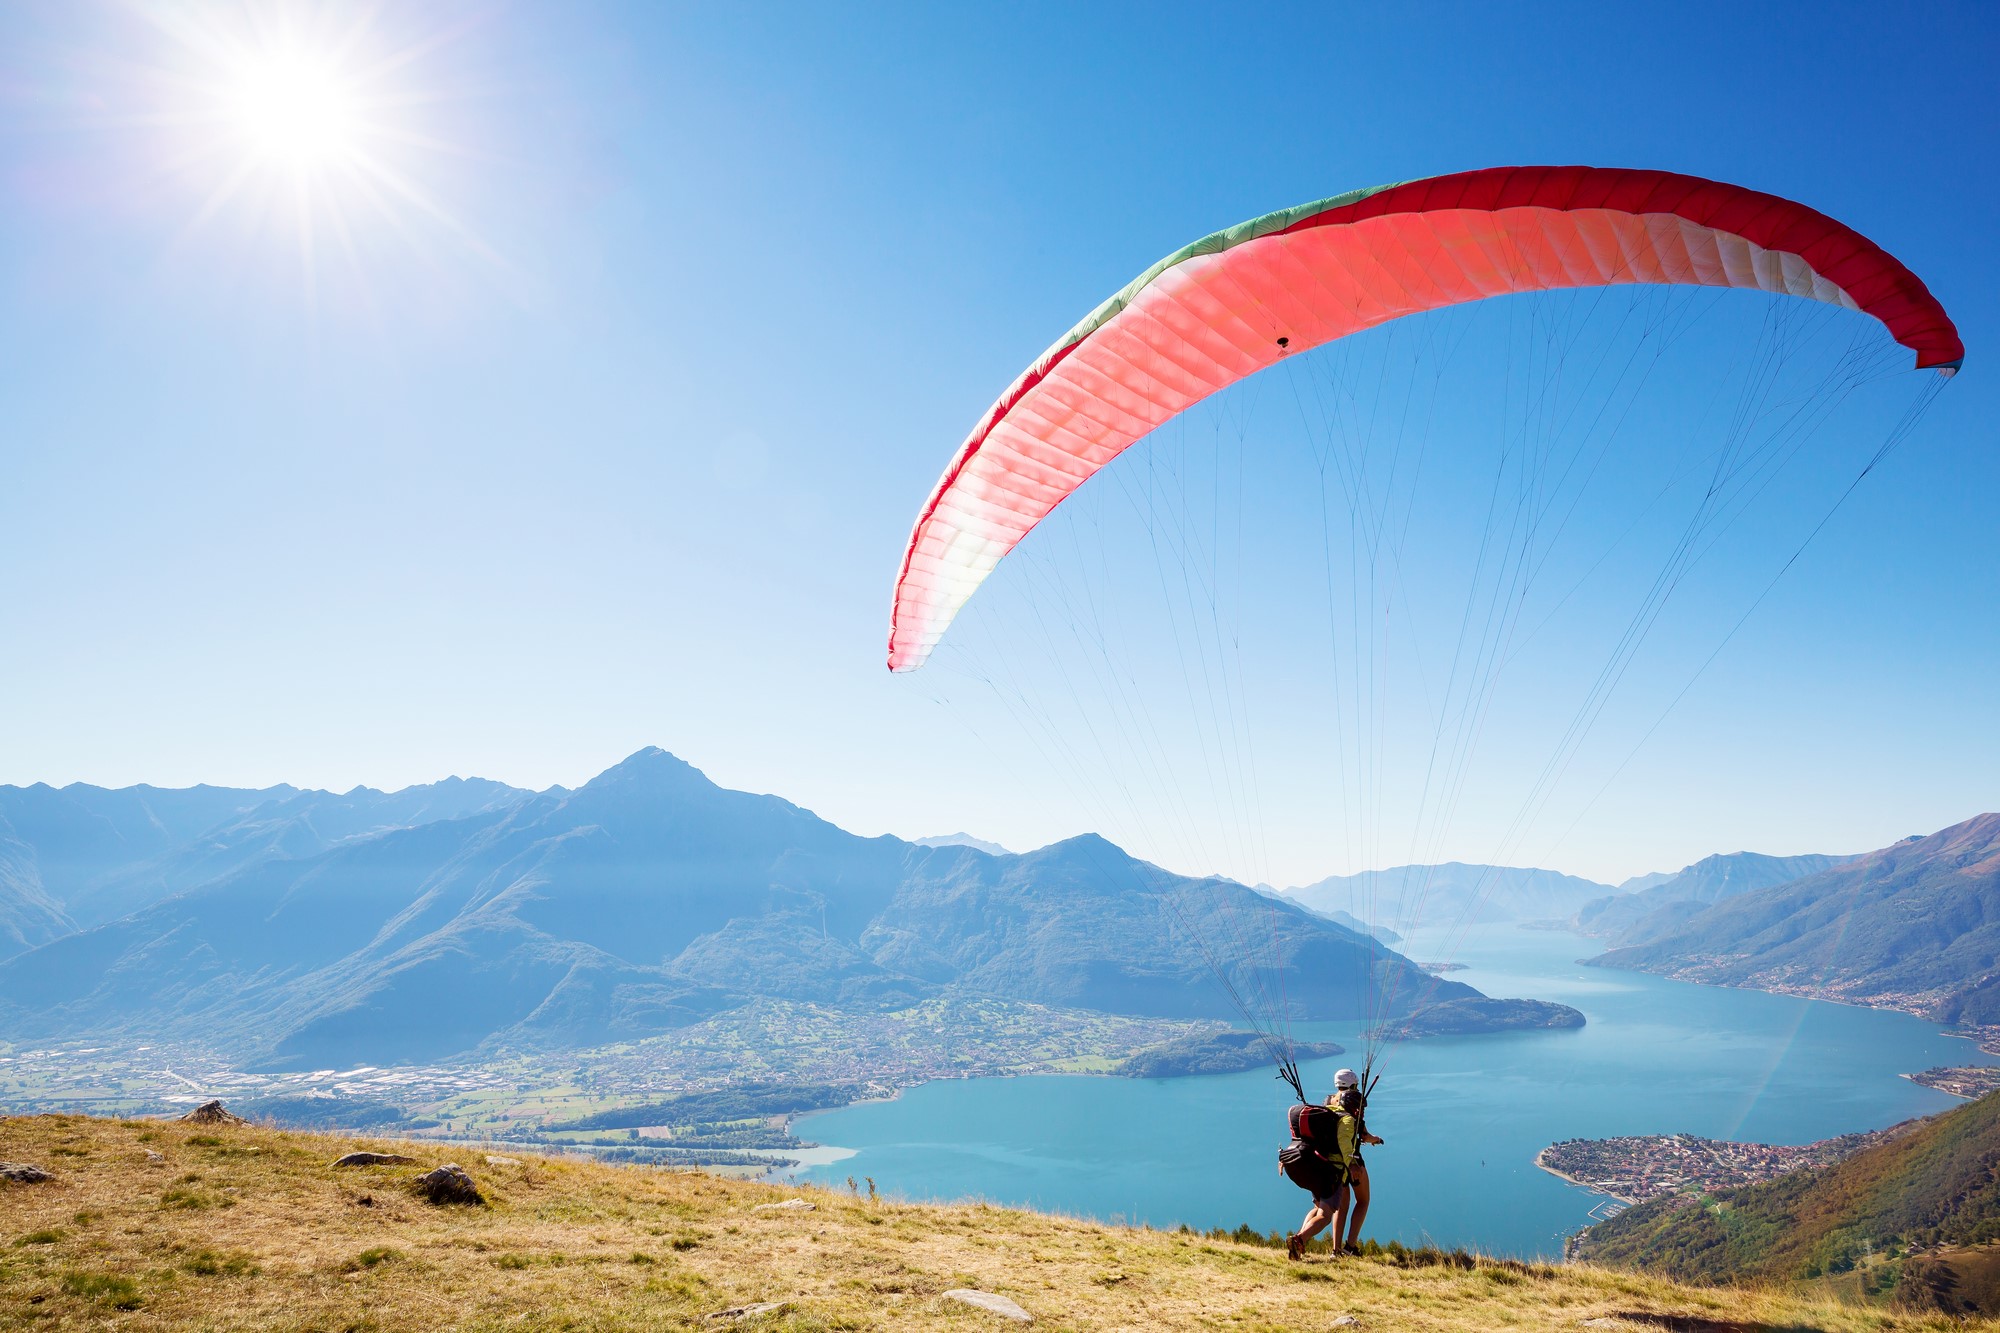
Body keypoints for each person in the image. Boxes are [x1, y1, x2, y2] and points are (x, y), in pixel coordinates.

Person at [1281, 1069, 1370, 1260]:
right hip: (1338, 1168)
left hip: (1319, 1164)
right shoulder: (1349, 1115)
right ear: (1354, 1087)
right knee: (1338, 1209)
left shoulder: (1327, 1106)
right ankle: (1304, 1240)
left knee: (1326, 1207)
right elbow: (1347, 1142)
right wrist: (1353, 1163)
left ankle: (1311, 1244)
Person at [1334, 1074, 1385, 1254]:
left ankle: (1336, 1249)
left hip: (1334, 1163)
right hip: (1352, 1161)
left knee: (1340, 1206)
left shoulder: (1329, 1103)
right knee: (1363, 1201)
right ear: (1353, 1085)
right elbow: (1363, 1135)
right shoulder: (1352, 1105)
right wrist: (1376, 1140)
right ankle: (1351, 1246)